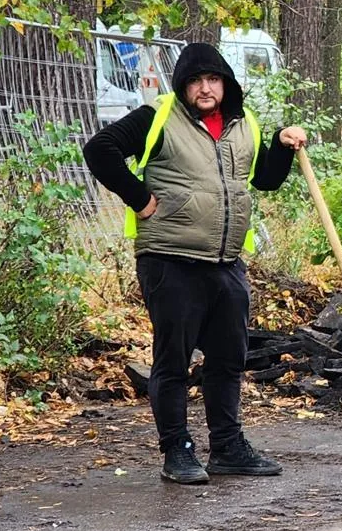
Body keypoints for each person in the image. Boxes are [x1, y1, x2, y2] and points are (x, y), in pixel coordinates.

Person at [84, 43, 308, 484]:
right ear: (183, 87)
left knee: (228, 357)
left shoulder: (244, 124)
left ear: (226, 84)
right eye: (195, 82)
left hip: (226, 259)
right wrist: (140, 199)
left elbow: (264, 179)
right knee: (174, 359)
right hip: (170, 259)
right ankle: (178, 451)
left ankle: (227, 446)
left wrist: (282, 143)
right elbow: (100, 150)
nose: (205, 89)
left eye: (213, 80)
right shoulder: (159, 116)